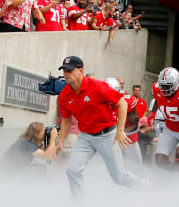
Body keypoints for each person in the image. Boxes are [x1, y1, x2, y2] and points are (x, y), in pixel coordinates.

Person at [55, 56, 147, 197]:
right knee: (72, 170)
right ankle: (79, 205)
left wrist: (120, 130)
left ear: (80, 71)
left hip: (107, 135)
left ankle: (143, 186)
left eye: (70, 70)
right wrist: (61, 141)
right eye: (64, 70)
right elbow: (66, 120)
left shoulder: (97, 86)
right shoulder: (64, 95)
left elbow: (122, 103)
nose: (66, 73)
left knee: (118, 177)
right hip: (85, 137)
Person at [147, 67, 179, 171]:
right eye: (162, 85)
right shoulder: (156, 88)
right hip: (169, 130)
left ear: (176, 83)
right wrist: (153, 113)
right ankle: (176, 175)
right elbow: (157, 98)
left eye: (167, 86)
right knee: (159, 160)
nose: (163, 89)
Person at [105, 77, 143, 172]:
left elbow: (134, 124)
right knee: (112, 170)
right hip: (111, 141)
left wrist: (120, 133)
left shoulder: (128, 101)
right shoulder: (100, 104)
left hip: (129, 140)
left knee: (136, 169)